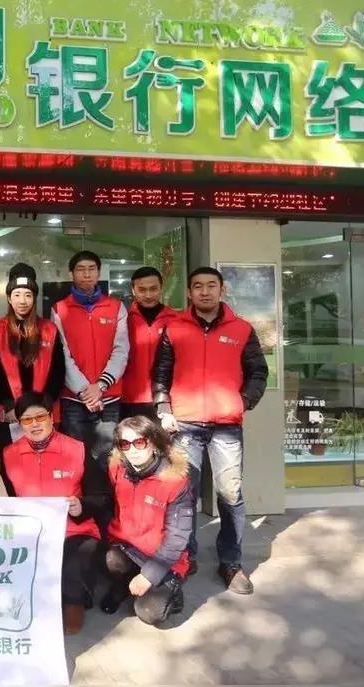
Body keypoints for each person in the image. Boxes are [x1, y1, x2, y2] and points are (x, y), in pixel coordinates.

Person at [153, 266, 268, 595]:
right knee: (184, 495)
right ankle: (185, 557)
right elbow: (161, 372)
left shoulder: (242, 329)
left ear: (222, 290)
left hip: (226, 426)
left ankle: (230, 561)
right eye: (198, 286)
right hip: (184, 424)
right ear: (189, 292)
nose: (205, 292)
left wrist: (242, 402)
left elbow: (258, 371)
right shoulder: (174, 328)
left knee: (230, 494)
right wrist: (163, 408)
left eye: (211, 286)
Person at [0, 391, 110, 635]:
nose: (35, 424)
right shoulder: (9, 454)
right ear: (20, 424)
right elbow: (5, 498)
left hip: (74, 529)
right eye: (27, 420)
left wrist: (82, 505)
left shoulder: (76, 449)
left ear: (51, 417)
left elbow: (102, 495)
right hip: (31, 532)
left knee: (75, 557)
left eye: (40, 417)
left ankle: (74, 602)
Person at [100, 416, 193, 627]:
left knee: (150, 613)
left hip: (161, 557)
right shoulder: (117, 468)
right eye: (125, 444)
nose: (132, 449)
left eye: (139, 442)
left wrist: (149, 576)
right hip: (127, 547)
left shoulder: (174, 480)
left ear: (152, 442)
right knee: (109, 559)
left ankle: (171, 588)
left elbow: (177, 537)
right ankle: (122, 585)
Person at [51, 250, 129, 464]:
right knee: (75, 459)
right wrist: (85, 391)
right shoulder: (59, 309)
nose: (86, 274)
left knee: (108, 459)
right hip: (74, 399)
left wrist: (100, 386)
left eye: (91, 269)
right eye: (81, 269)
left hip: (108, 398)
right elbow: (62, 354)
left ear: (98, 273)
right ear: (71, 274)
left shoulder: (116, 307)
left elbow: (121, 350)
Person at [0, 263, 65, 448]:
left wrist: (44, 404)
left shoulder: (49, 329)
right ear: (9, 298)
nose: (22, 301)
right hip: (10, 413)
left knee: (45, 458)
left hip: (44, 411)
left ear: (34, 298)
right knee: (12, 460)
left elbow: (58, 371)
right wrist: (9, 405)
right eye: (17, 295)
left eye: (28, 295)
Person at [121, 267, 177, 421]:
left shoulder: (176, 320)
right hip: (128, 399)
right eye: (142, 289)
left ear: (161, 288)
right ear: (133, 290)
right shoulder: (123, 319)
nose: (148, 295)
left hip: (165, 400)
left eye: (153, 289)